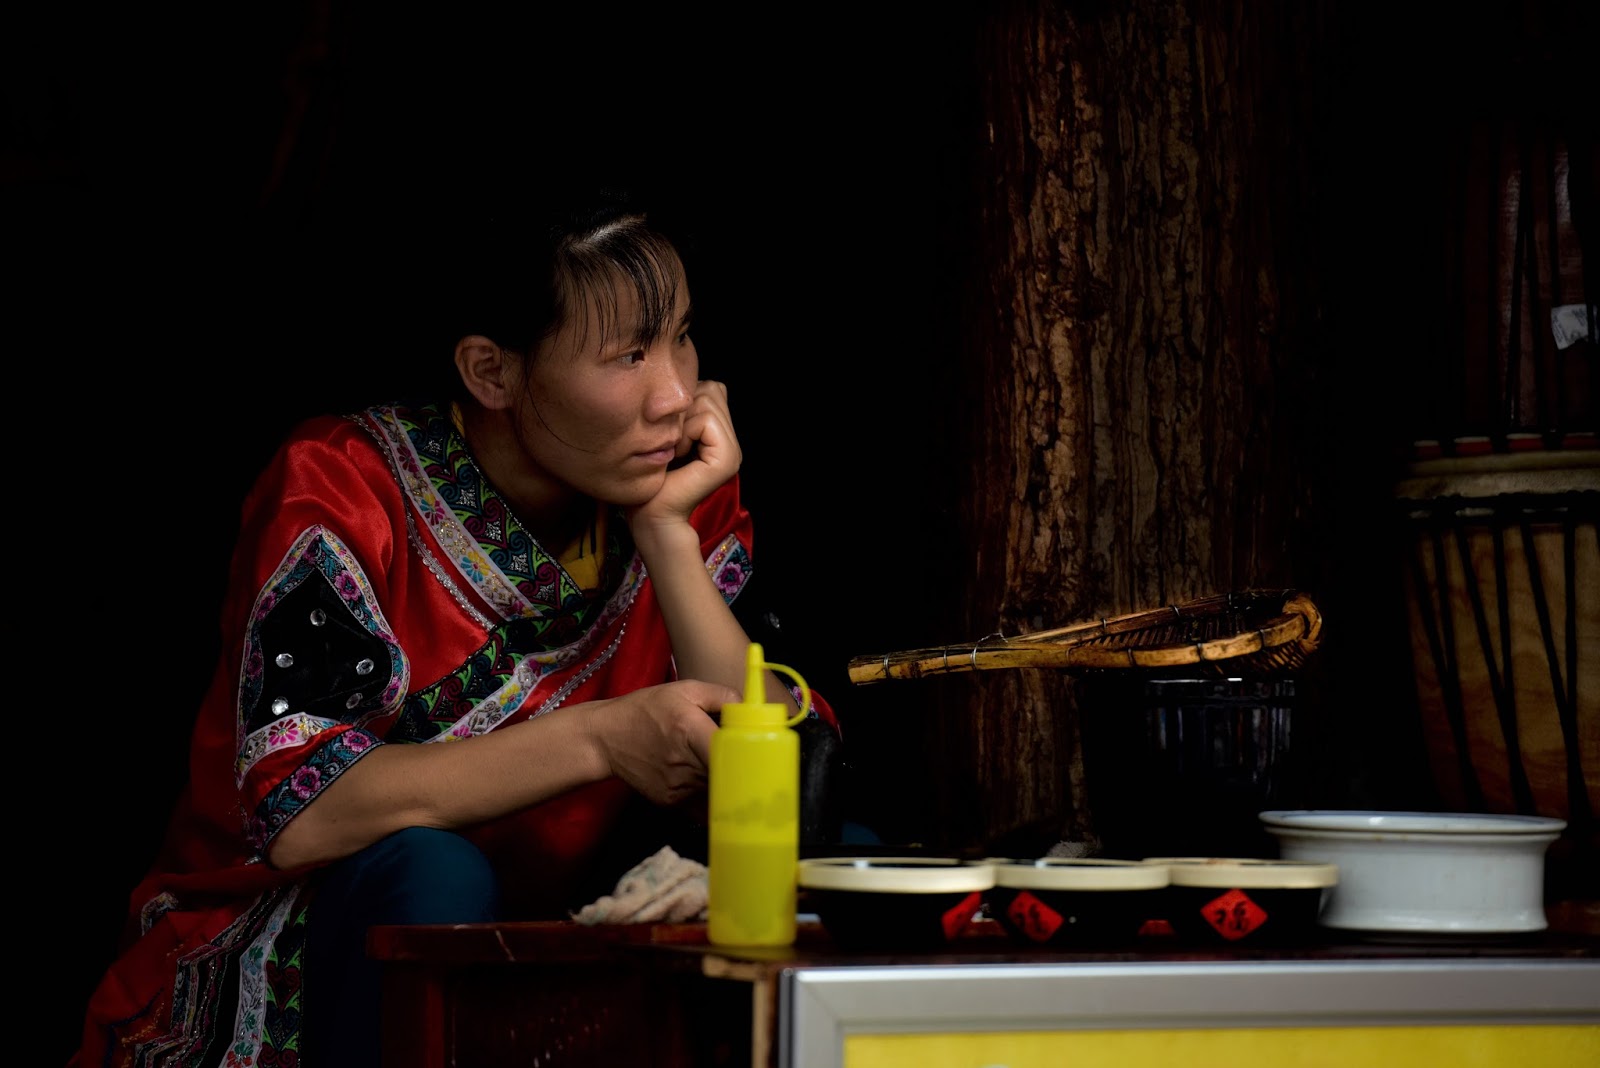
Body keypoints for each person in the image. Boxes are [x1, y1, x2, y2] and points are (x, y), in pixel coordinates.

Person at [71, 185, 846, 1068]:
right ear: (491, 372)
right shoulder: (344, 487)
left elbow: (776, 775)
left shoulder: (673, 484)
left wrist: (667, 537)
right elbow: (306, 810)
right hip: (312, 939)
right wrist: (604, 738)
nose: (677, 394)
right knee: (434, 871)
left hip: (561, 918)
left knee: (826, 863)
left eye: (681, 337)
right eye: (629, 355)